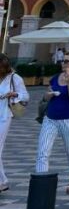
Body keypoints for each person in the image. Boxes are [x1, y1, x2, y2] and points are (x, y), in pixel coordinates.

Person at [37, 49, 69, 194]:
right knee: (42, 151)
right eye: (62, 61)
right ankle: (41, 183)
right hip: (50, 118)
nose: (63, 63)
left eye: (66, 61)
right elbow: (45, 97)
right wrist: (48, 95)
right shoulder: (55, 78)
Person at [0, 54, 29, 192]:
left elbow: (25, 96)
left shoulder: (15, 78)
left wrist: (14, 94)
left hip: (4, 116)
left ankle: (2, 181)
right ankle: (2, 181)